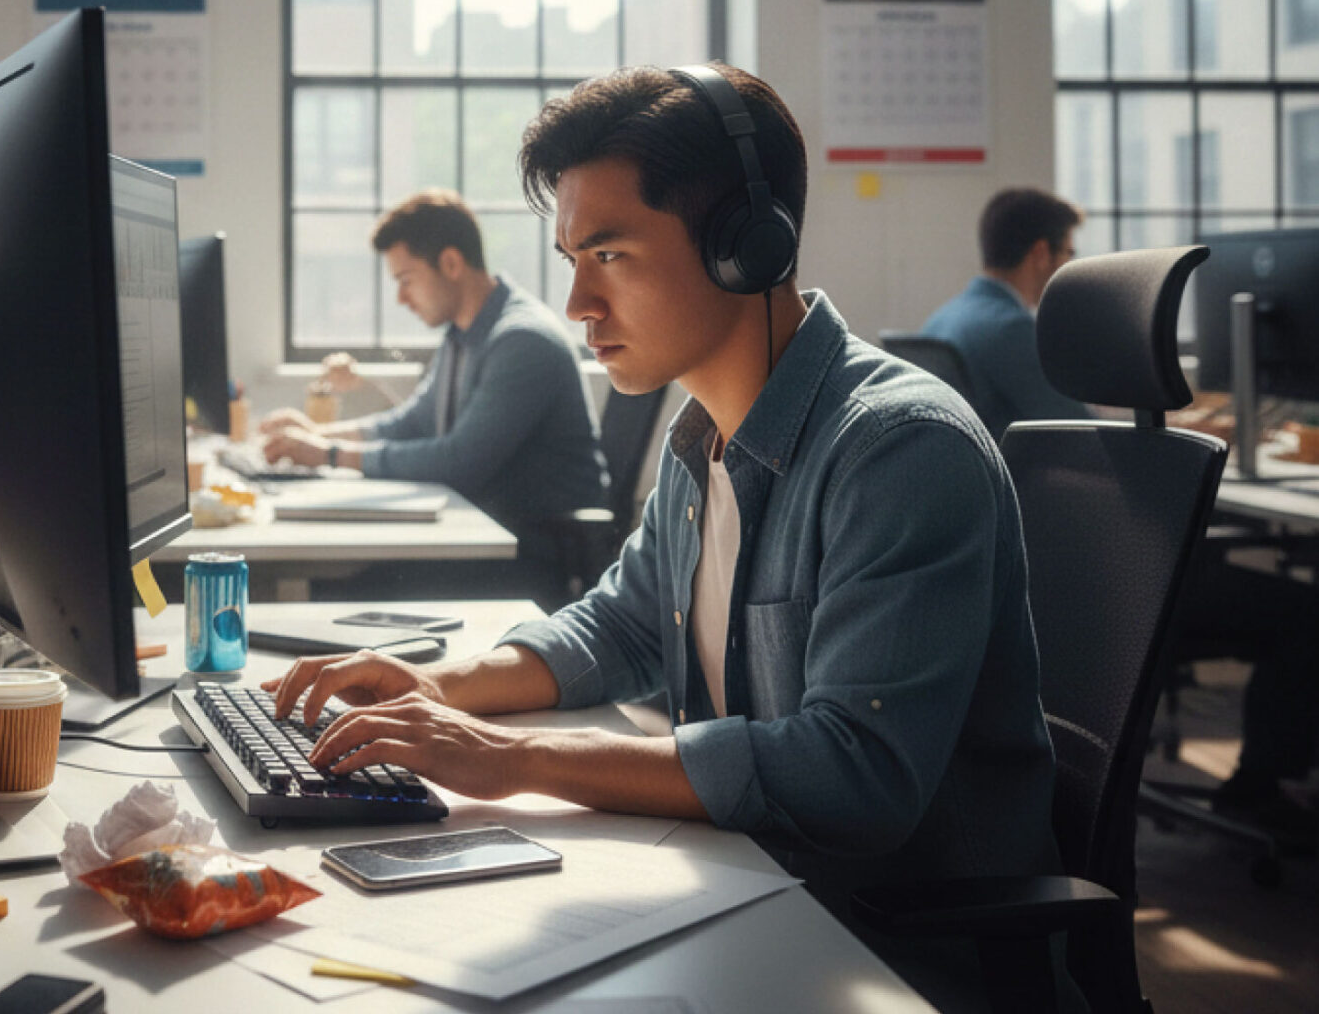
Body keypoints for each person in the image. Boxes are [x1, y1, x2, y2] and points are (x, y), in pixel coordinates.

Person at [264, 65, 1059, 994]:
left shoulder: (898, 450)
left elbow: (853, 776)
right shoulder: (703, 440)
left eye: (610, 256)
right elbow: (619, 626)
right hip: (754, 896)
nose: (577, 308)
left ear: (745, 249)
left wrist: (512, 758)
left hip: (892, 958)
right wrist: (439, 688)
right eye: (571, 263)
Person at [258, 188, 607, 568]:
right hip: (482, 530)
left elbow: (457, 461)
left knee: (347, 580)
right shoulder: (461, 334)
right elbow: (414, 422)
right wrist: (315, 434)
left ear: (451, 263)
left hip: (531, 548)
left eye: (406, 280)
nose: (401, 299)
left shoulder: (521, 341)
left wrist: (325, 454)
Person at [919, 187, 1090, 440]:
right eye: (1069, 252)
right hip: (1012, 475)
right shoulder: (1011, 328)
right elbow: (1081, 429)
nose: (1069, 264)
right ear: (1041, 254)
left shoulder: (941, 318)